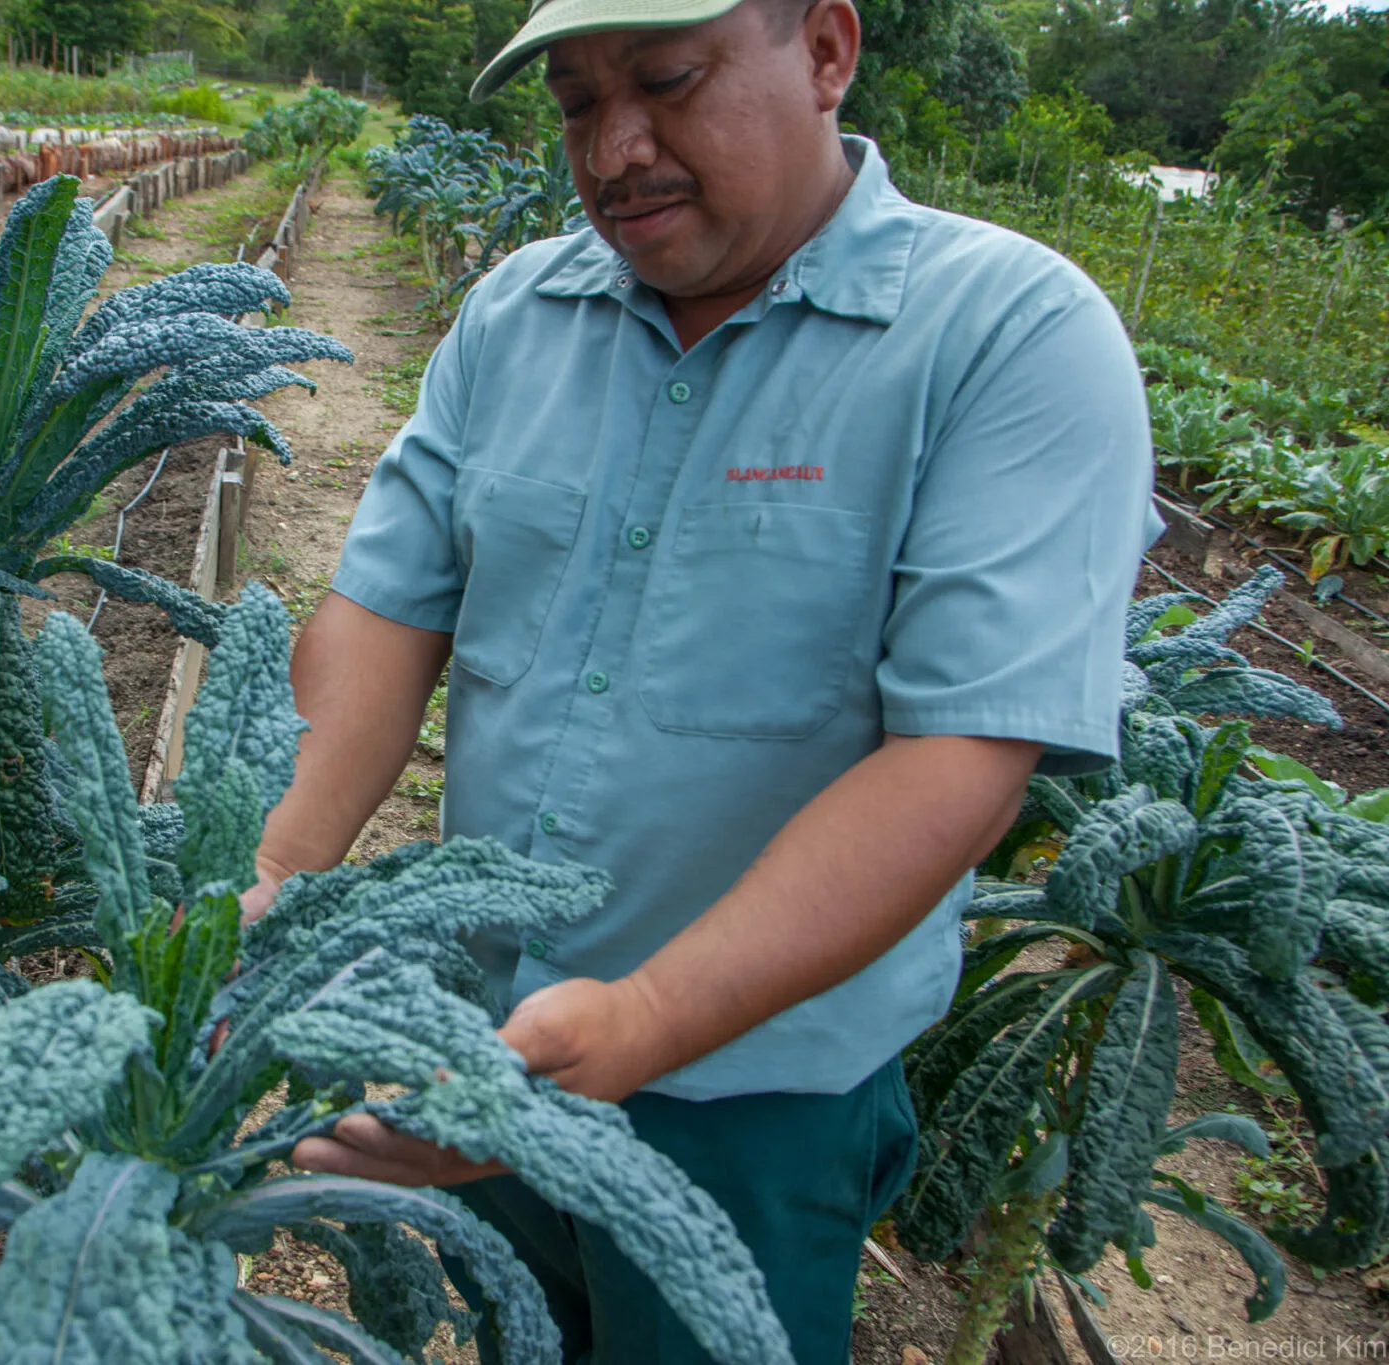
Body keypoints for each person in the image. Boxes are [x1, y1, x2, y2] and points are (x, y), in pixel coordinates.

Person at [237, 0, 1156, 1360]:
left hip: (751, 1105)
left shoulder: (1007, 336)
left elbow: (961, 756)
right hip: (485, 1046)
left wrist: (649, 1015)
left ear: (828, 51)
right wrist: (272, 870)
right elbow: (384, 611)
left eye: (668, 81)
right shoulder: (516, 313)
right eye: (573, 103)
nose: (616, 150)